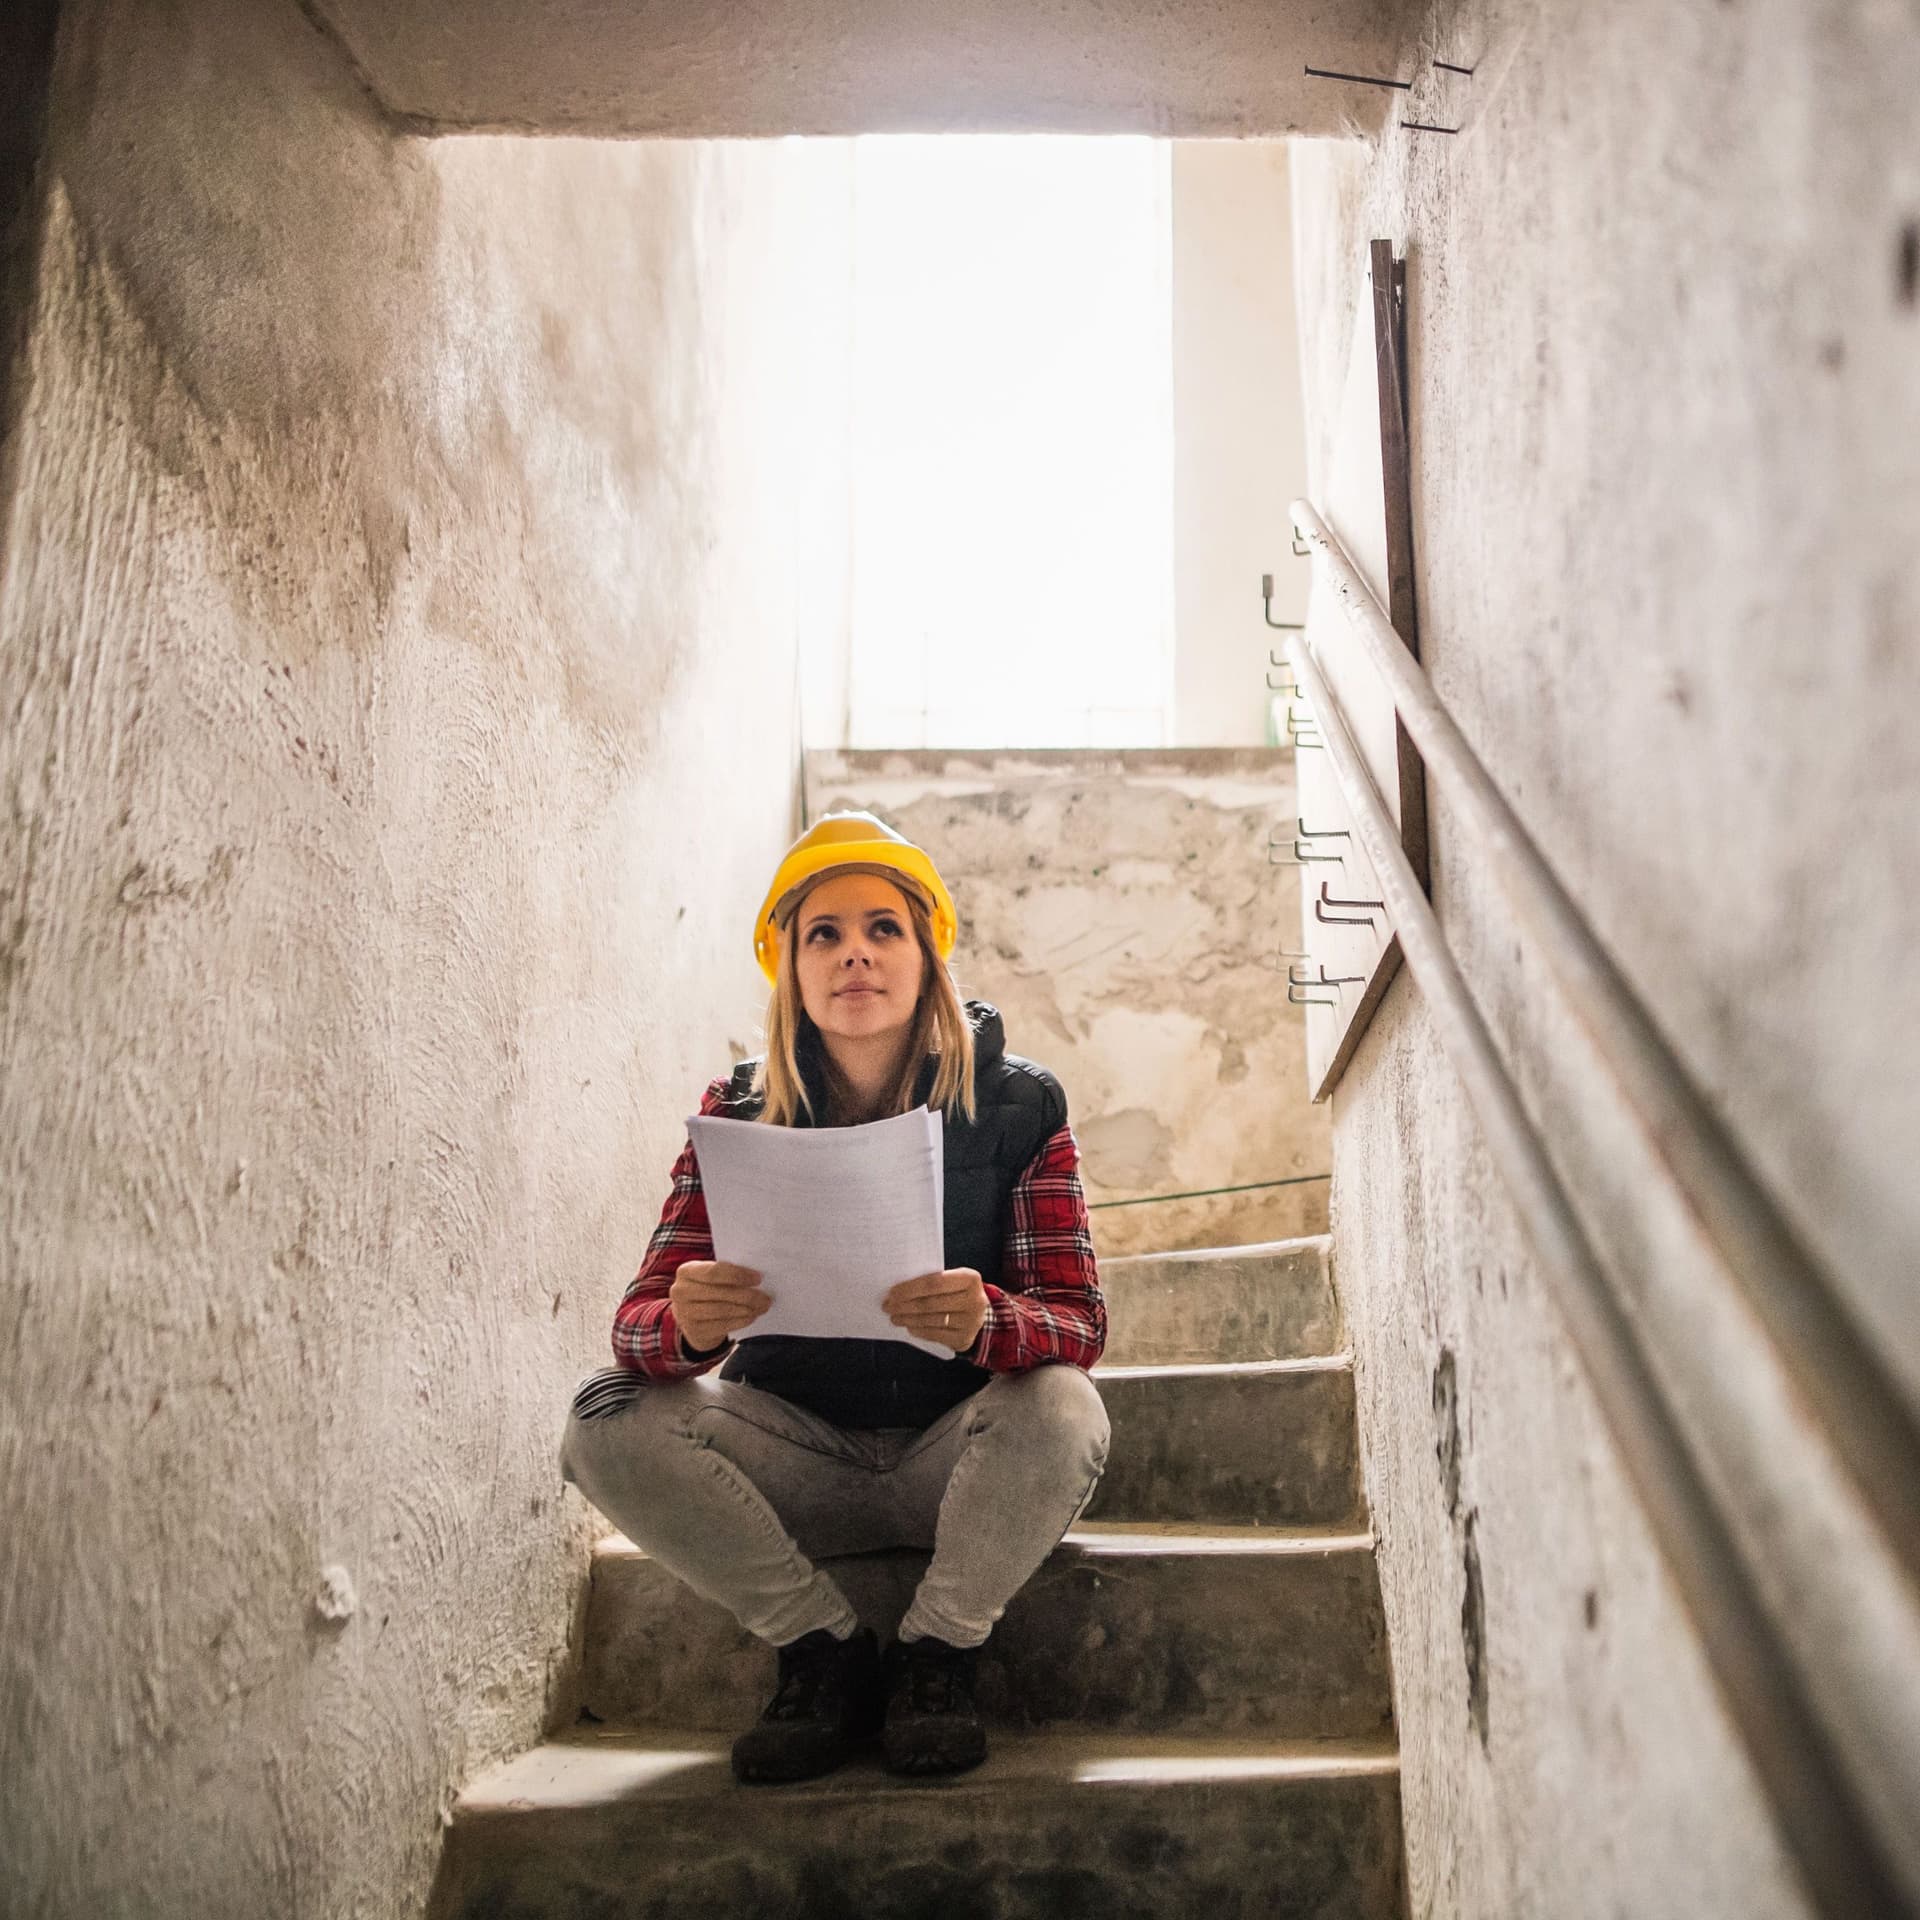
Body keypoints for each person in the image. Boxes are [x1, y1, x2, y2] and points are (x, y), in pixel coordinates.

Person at [559, 809, 1110, 1784]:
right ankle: (822, 1648)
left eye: (882, 928)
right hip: (797, 1459)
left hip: (960, 1461)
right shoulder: (733, 1114)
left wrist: (993, 1321)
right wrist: (683, 1328)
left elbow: (1078, 1321)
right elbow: (633, 1328)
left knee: (1064, 1404)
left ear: (928, 953)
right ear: (791, 966)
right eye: (825, 933)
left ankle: (936, 1655)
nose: (854, 954)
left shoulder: (1023, 1105)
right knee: (601, 1419)